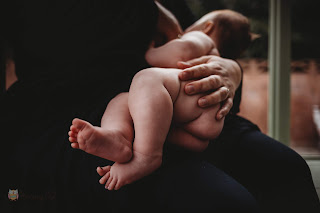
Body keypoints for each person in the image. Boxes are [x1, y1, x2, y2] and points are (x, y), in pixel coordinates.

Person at [1, 0, 319, 212]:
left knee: (288, 171)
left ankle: (140, 148)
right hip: (70, 104)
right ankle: (139, 146)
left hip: (160, 106)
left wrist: (231, 72)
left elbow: (177, 54)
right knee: (224, 203)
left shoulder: (190, 32)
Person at [68, 9, 251, 191]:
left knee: (146, 79)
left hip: (192, 100)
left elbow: (182, 51)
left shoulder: (203, 38)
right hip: (199, 124)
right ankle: (118, 136)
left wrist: (152, 52)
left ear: (207, 27)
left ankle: (146, 156)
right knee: (124, 101)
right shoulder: (218, 59)